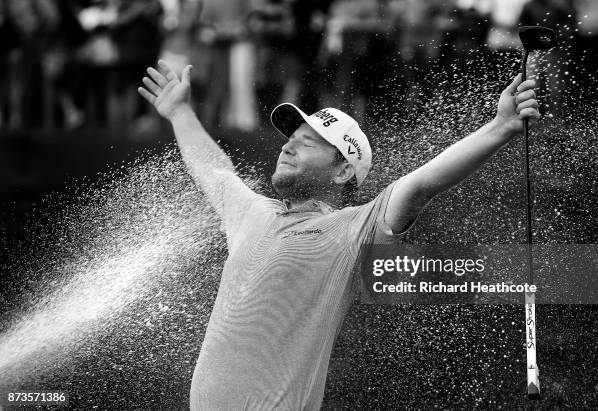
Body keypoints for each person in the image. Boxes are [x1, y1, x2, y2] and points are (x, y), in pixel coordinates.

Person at [138, 59, 541, 410]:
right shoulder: (252, 214)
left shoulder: (352, 228)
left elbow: (419, 187)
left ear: (343, 171)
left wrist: (501, 127)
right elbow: (216, 169)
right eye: (290, 140)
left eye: (308, 142)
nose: (288, 148)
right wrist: (179, 113)